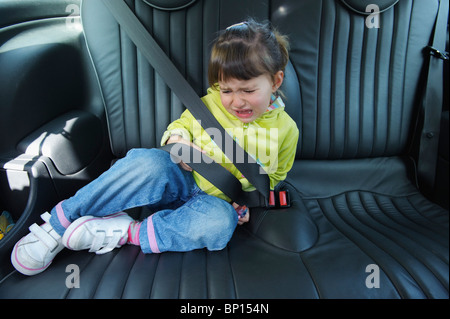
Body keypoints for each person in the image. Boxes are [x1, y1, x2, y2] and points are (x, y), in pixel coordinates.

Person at [11, 19, 299, 276]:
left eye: (248, 90)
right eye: (227, 90)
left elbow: (273, 178)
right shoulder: (209, 105)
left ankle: (126, 231)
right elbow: (179, 128)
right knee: (148, 163)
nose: (237, 102)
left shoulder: (286, 131)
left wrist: (246, 201)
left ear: (275, 81)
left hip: (218, 202)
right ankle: (61, 221)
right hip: (179, 180)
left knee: (219, 227)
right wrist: (177, 143)